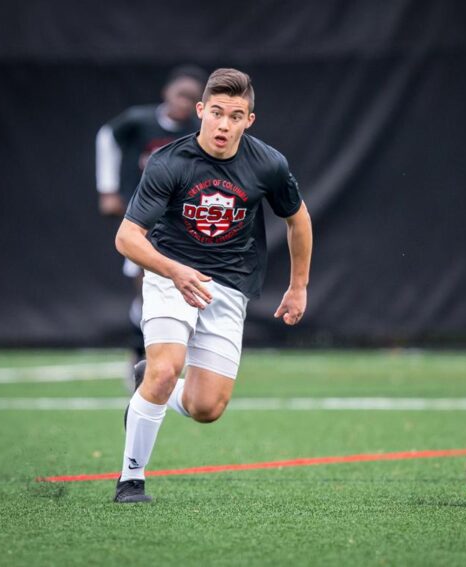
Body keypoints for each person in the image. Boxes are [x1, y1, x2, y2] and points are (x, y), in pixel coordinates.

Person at [111, 68, 313, 503]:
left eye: (235, 116)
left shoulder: (268, 163)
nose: (224, 125)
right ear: (201, 111)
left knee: (207, 408)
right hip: (172, 276)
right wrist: (172, 270)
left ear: (249, 121)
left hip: (230, 286)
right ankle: (131, 480)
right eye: (216, 113)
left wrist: (298, 287)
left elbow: (298, 220)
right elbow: (127, 237)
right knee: (167, 369)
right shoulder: (170, 162)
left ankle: (152, 385)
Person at [96, 65, 208, 382]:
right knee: (144, 287)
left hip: (178, 222)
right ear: (166, 92)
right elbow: (106, 136)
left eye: (193, 98)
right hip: (141, 220)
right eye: (180, 94)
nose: (184, 103)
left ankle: (172, 356)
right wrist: (107, 188)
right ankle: (139, 355)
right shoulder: (139, 121)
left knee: (180, 287)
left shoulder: (195, 133)